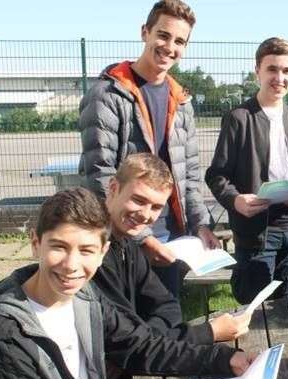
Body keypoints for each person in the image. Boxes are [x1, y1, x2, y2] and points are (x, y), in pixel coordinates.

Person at [0, 188, 253, 379]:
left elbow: (142, 346)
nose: (71, 265)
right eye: (59, 247)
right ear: (35, 243)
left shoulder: (84, 296)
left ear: (103, 252)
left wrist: (223, 358)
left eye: (86, 250)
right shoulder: (4, 332)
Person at [79, 0, 221, 297]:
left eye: (180, 41)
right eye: (163, 35)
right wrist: (143, 238)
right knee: (124, 332)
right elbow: (99, 175)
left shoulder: (181, 101)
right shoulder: (107, 95)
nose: (170, 46)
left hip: (171, 239)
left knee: (166, 326)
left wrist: (201, 224)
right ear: (145, 32)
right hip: (123, 237)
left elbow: (190, 174)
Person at [205, 37, 288, 305]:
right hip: (256, 231)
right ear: (257, 70)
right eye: (272, 69)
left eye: (287, 71)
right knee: (253, 307)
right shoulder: (239, 118)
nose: (279, 77)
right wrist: (235, 200)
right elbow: (217, 175)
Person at [101, 152, 248, 344]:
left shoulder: (128, 242)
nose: (145, 215)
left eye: (156, 207)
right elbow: (127, 343)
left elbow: (168, 306)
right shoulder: (93, 252)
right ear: (113, 188)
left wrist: (148, 338)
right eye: (138, 200)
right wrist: (208, 332)